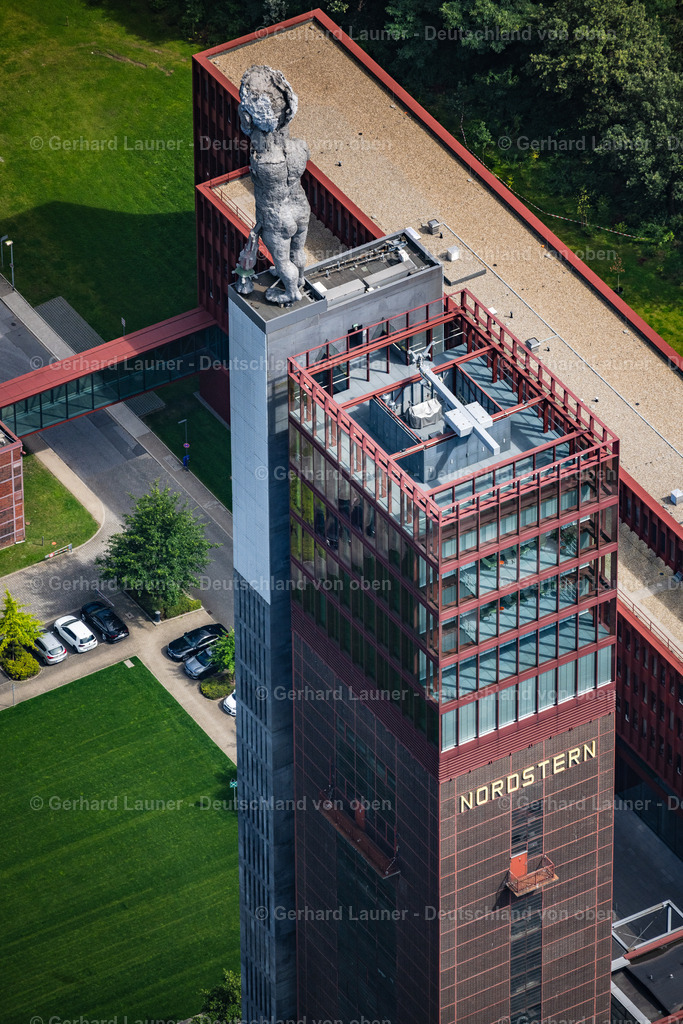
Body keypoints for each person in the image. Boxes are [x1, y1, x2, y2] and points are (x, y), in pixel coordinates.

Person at [237, 65, 311, 305]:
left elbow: (249, 130)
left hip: (276, 216)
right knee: (297, 252)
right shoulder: (300, 147)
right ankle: (298, 279)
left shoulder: (264, 163)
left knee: (283, 261)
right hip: (301, 207)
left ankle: (291, 292)